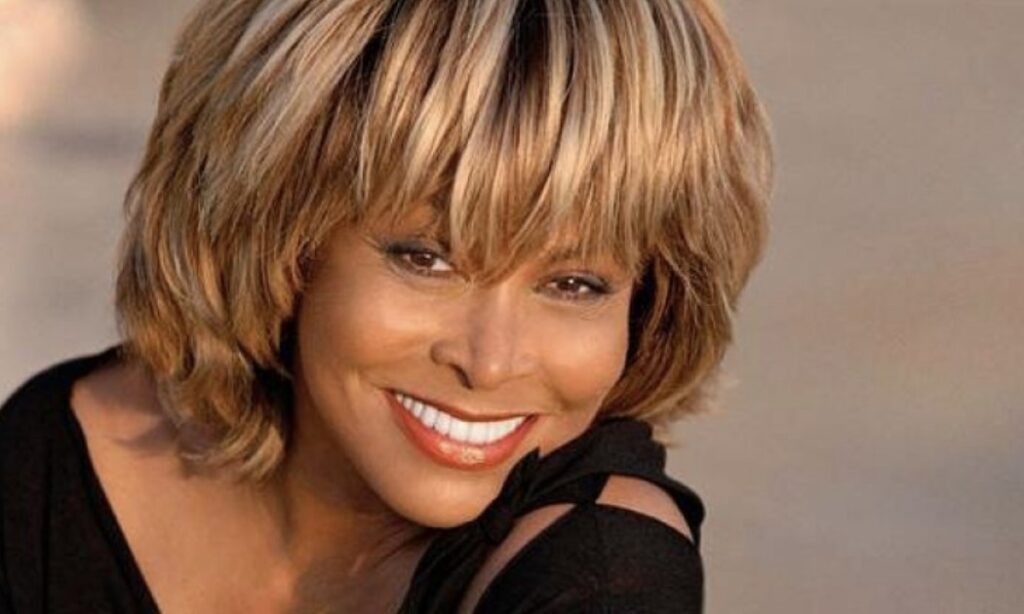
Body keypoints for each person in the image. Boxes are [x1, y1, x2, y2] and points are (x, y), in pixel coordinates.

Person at [0, 0, 772, 611]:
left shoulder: (601, 576)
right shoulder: (58, 460)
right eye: (426, 259)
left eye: (574, 284)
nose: (490, 361)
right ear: (278, 238)